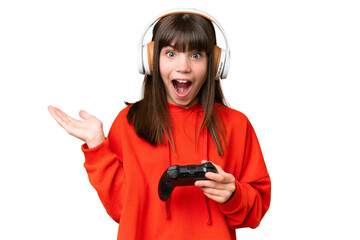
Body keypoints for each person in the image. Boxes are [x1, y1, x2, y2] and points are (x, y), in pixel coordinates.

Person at [48, 9, 271, 240]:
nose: (183, 66)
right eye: (171, 53)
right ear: (151, 60)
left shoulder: (237, 126)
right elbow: (121, 209)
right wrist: (96, 144)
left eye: (196, 55)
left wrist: (233, 195)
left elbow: (255, 213)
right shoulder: (129, 122)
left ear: (215, 63)